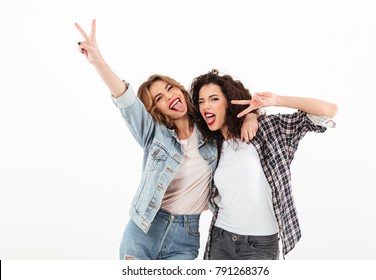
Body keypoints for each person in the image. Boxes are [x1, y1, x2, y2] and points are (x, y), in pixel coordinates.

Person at [74, 20, 259, 260]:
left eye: (170, 88)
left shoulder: (211, 134)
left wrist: (251, 116)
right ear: (156, 109)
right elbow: (124, 98)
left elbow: (235, 103)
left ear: (180, 90)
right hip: (143, 231)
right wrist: (97, 59)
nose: (169, 96)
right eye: (160, 97)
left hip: (185, 237)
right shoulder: (153, 134)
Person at [190, 69, 338, 260]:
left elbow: (329, 111)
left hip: (259, 246)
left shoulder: (268, 130)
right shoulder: (211, 147)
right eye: (201, 101)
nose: (205, 106)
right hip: (221, 239)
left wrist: (276, 100)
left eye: (214, 99)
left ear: (230, 101)